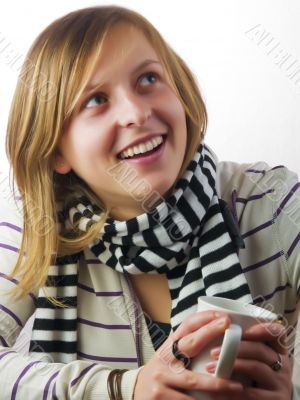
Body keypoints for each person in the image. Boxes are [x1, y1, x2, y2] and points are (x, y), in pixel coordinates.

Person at [0, 5, 299, 399]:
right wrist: (123, 389)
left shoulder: (274, 201)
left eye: (148, 78)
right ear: (58, 151)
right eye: (95, 100)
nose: (138, 112)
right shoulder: (37, 227)